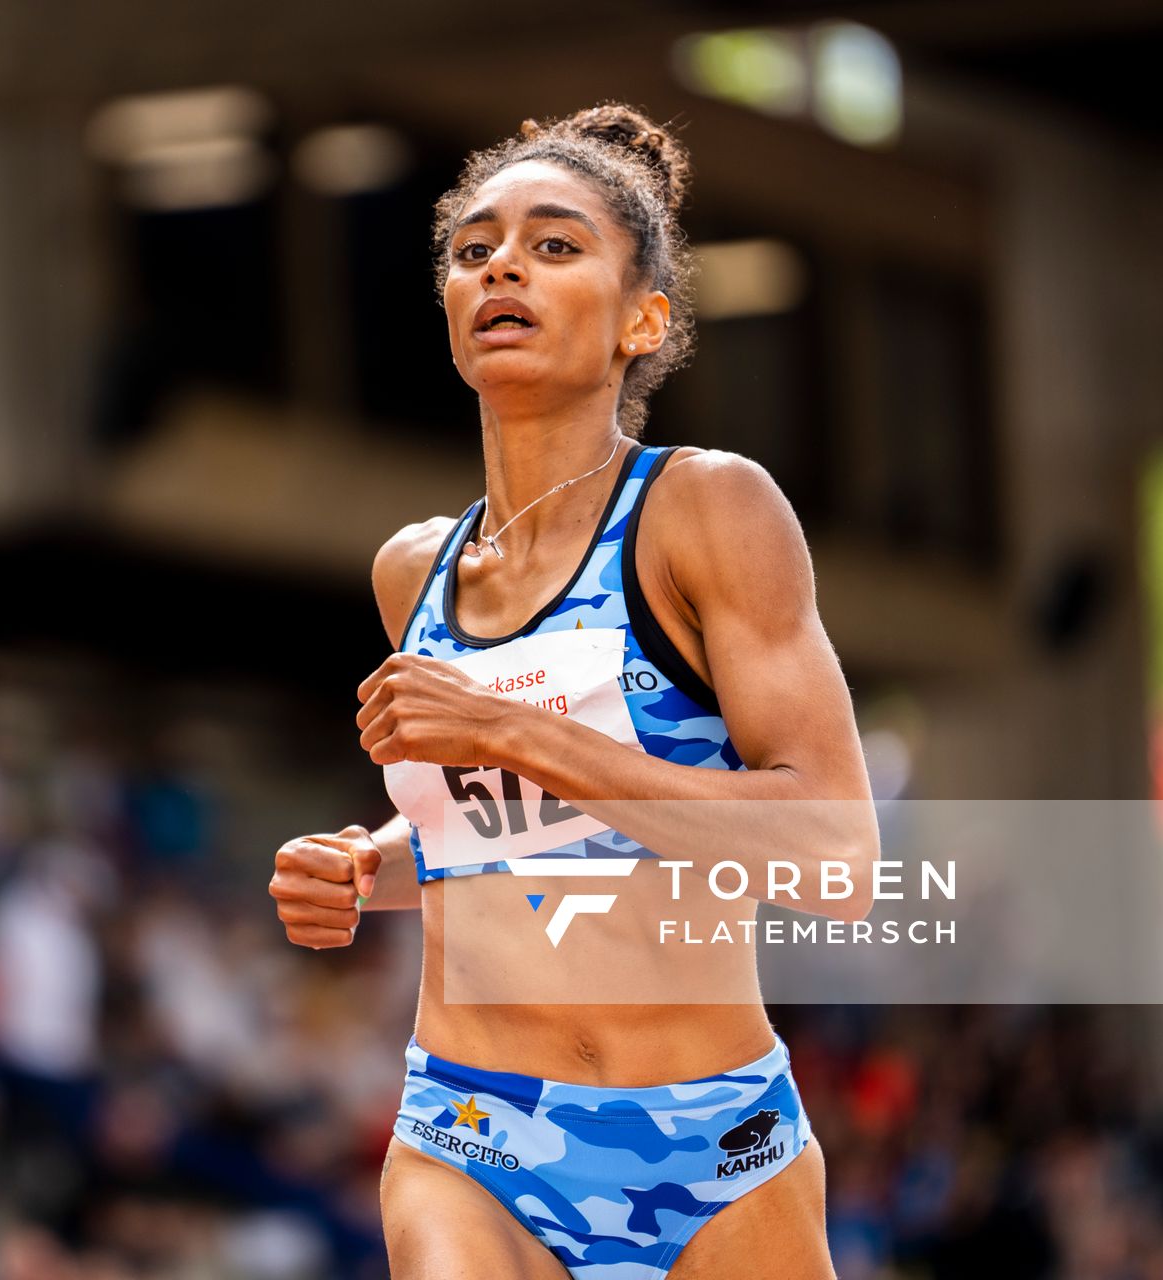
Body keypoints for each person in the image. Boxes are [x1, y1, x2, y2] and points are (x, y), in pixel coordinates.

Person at [268, 104, 878, 1279]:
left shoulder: (706, 510)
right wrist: (370, 862)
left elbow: (838, 857)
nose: (503, 264)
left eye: (555, 245)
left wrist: (511, 729)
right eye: (473, 248)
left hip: (716, 1150)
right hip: (472, 1139)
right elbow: (498, 835)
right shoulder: (416, 571)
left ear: (643, 319)